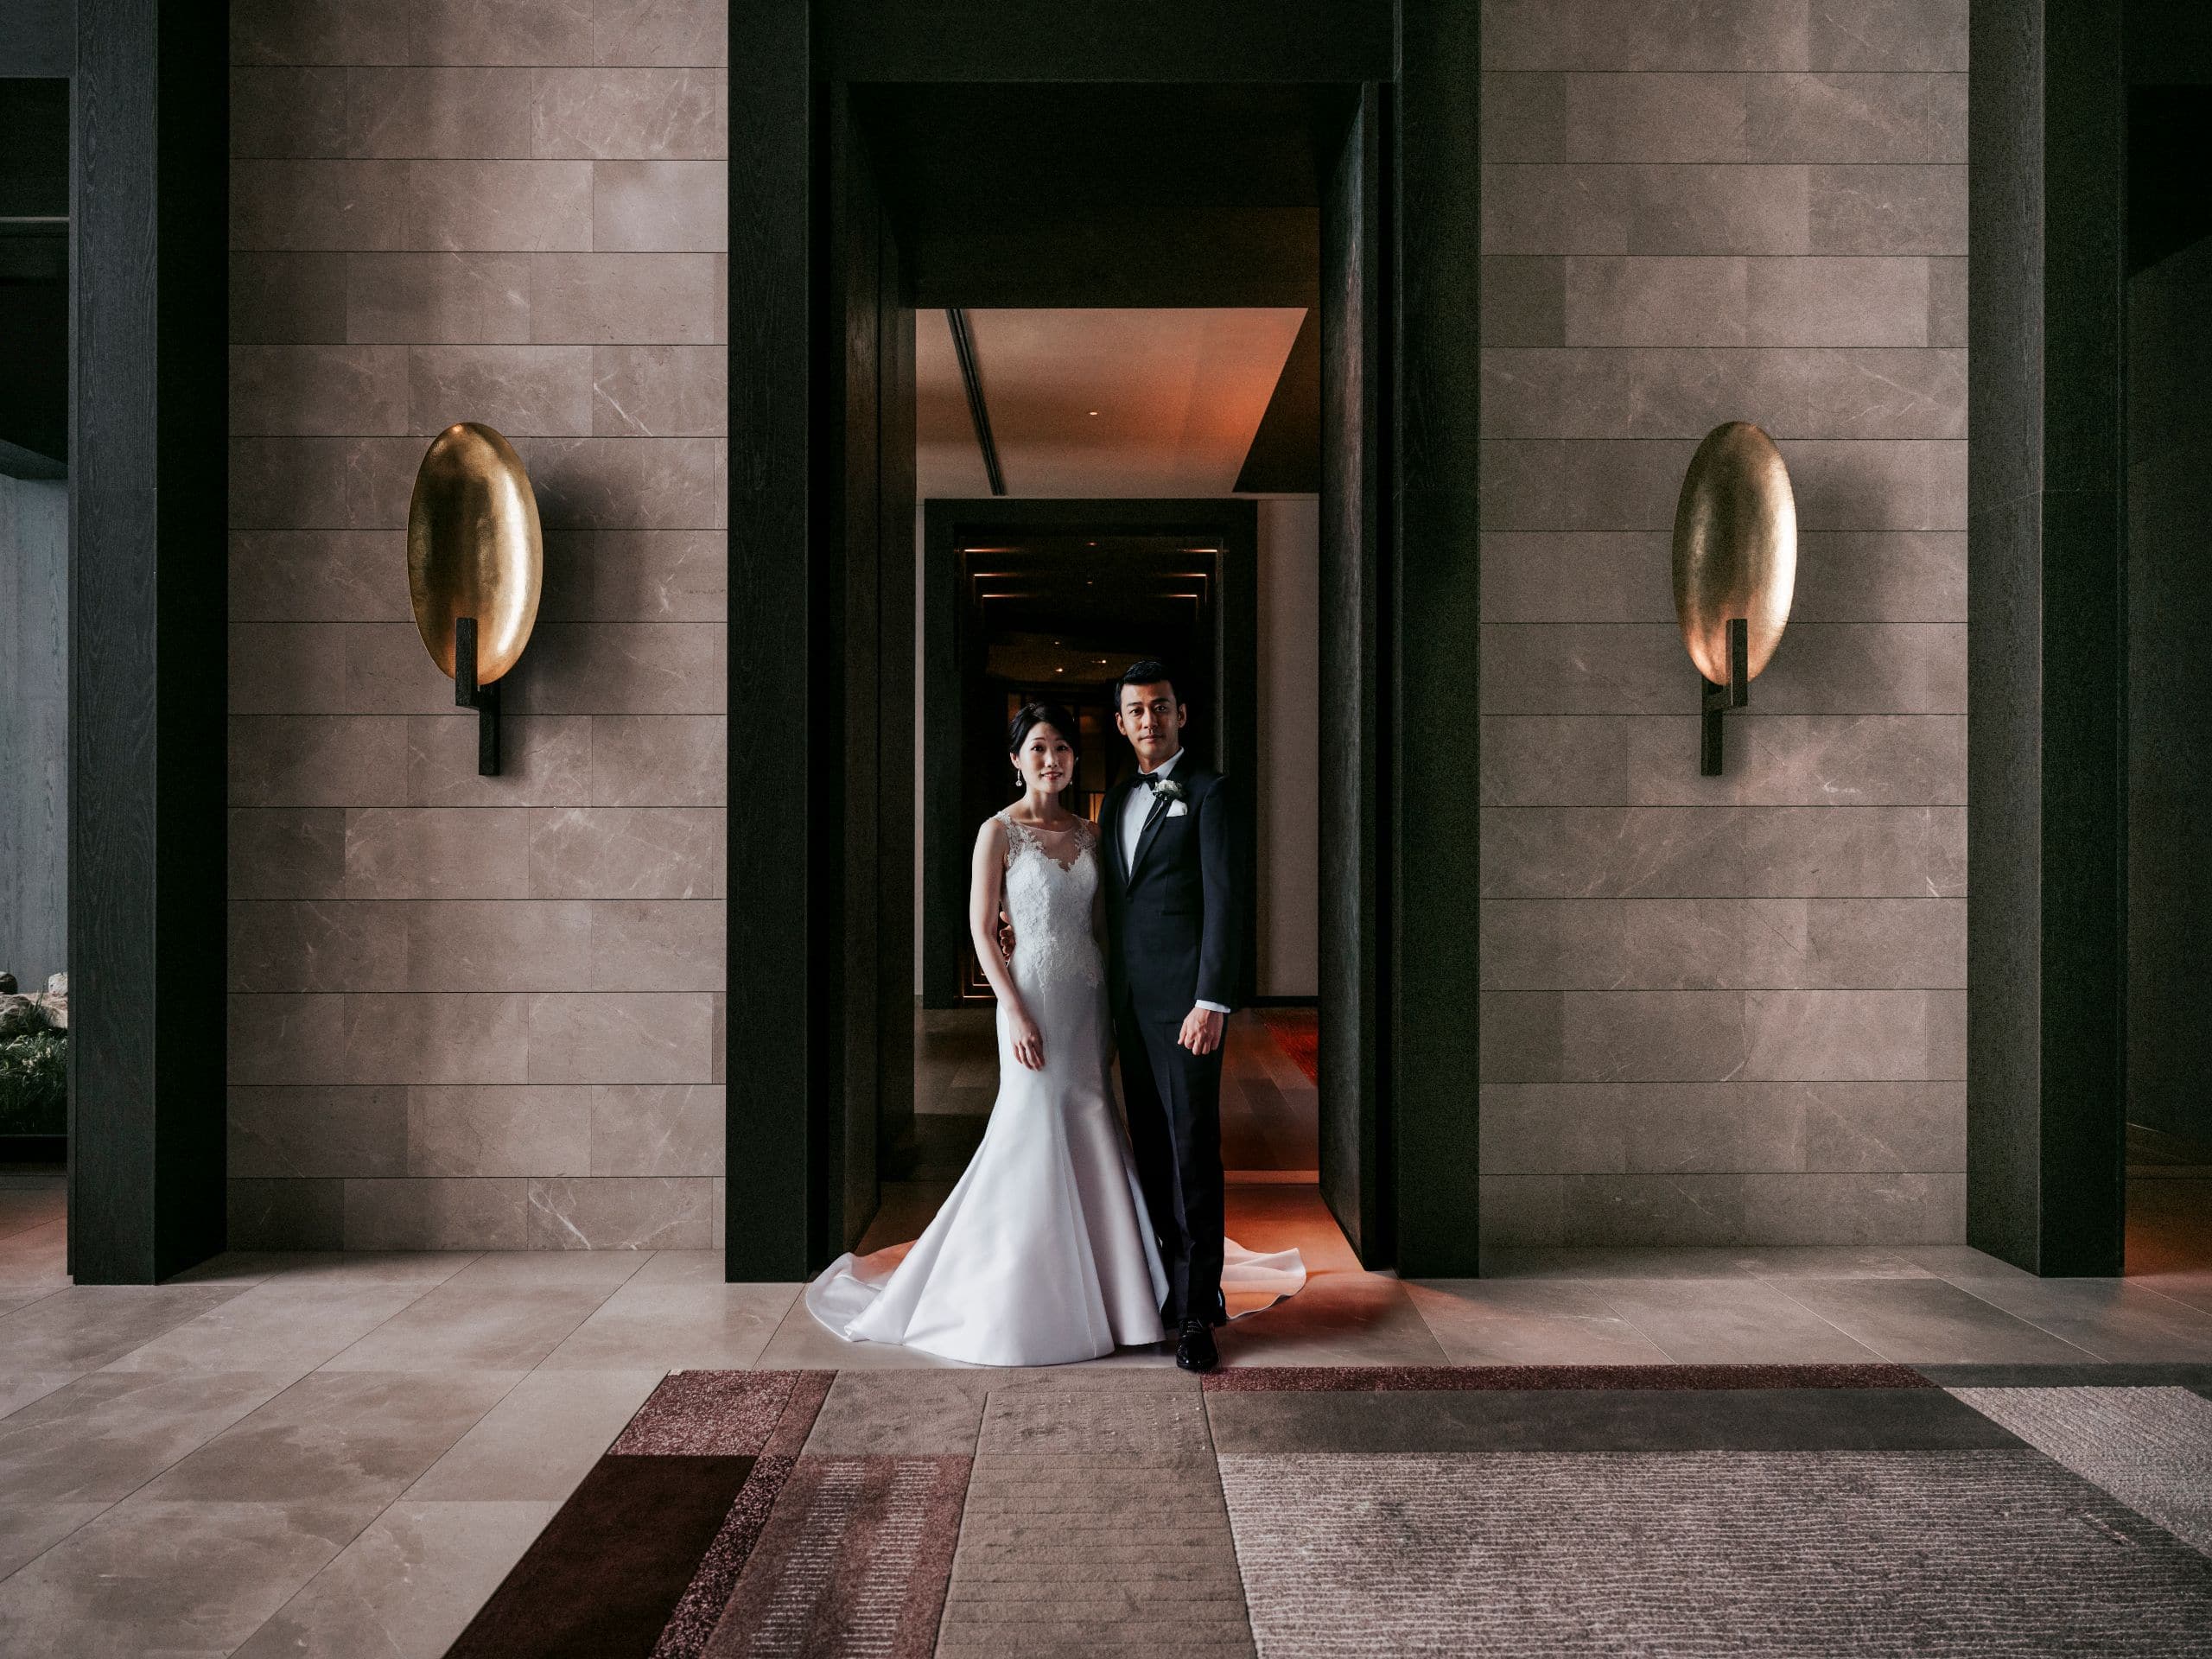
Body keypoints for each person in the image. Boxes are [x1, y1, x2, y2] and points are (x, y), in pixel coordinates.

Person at [802, 702, 1170, 1365]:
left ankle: (1113, 1291)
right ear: (1016, 760)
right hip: (1030, 998)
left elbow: (1103, 932)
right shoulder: (997, 832)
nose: (1052, 759)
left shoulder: (1092, 835)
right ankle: (1026, 1293)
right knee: (1031, 1125)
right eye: (1039, 748)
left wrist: (1113, 1013)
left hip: (1085, 1000)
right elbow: (979, 929)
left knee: (1093, 1120)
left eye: (1062, 748)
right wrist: (1015, 1011)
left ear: (1075, 758)